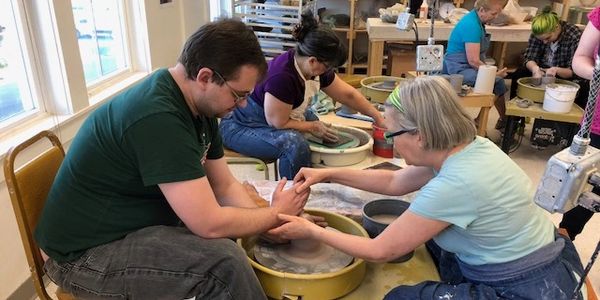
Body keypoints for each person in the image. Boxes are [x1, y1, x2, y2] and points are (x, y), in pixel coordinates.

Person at [34, 19, 312, 299]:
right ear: (205, 77)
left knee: (239, 226)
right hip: (81, 256)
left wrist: (270, 223)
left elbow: (224, 187)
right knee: (223, 264)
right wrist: (274, 214)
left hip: (125, 227)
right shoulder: (158, 117)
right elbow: (209, 223)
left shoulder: (201, 107)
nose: (241, 105)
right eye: (239, 95)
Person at [270, 76, 586, 299]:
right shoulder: (471, 145)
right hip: (539, 256)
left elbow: (380, 252)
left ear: (419, 135)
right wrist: (327, 175)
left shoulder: (456, 182)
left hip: (530, 286)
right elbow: (394, 181)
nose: (391, 145)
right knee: (433, 243)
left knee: (401, 297)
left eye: (392, 135)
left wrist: (310, 232)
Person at [219, 11, 385, 180]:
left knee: (316, 121)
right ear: (313, 61)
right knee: (294, 144)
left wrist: (377, 116)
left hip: (272, 117)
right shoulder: (282, 77)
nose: (330, 71)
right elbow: (278, 122)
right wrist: (312, 127)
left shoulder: (313, 68)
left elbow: (348, 95)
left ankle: (316, 178)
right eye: (329, 67)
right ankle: (294, 193)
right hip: (241, 126)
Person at [559, 6, 600, 241]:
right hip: (598, 122)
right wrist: (597, 73)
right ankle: (566, 234)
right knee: (586, 182)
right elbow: (580, 59)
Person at [443, 0, 509, 130]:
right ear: (482, 10)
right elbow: (473, 61)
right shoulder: (471, 25)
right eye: (493, 13)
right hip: (457, 68)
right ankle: (484, 122)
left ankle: (502, 119)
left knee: (497, 81)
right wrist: (492, 73)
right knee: (497, 81)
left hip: (465, 64)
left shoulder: (477, 20)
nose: (495, 17)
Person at [508, 7, 587, 108]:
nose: (544, 42)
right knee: (519, 74)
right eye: (541, 40)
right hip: (543, 69)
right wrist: (535, 69)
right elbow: (529, 57)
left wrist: (555, 70)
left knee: (583, 87)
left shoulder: (573, 35)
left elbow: (575, 71)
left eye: (547, 38)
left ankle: (571, 121)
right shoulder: (538, 31)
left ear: (557, 27)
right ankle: (514, 118)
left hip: (565, 73)